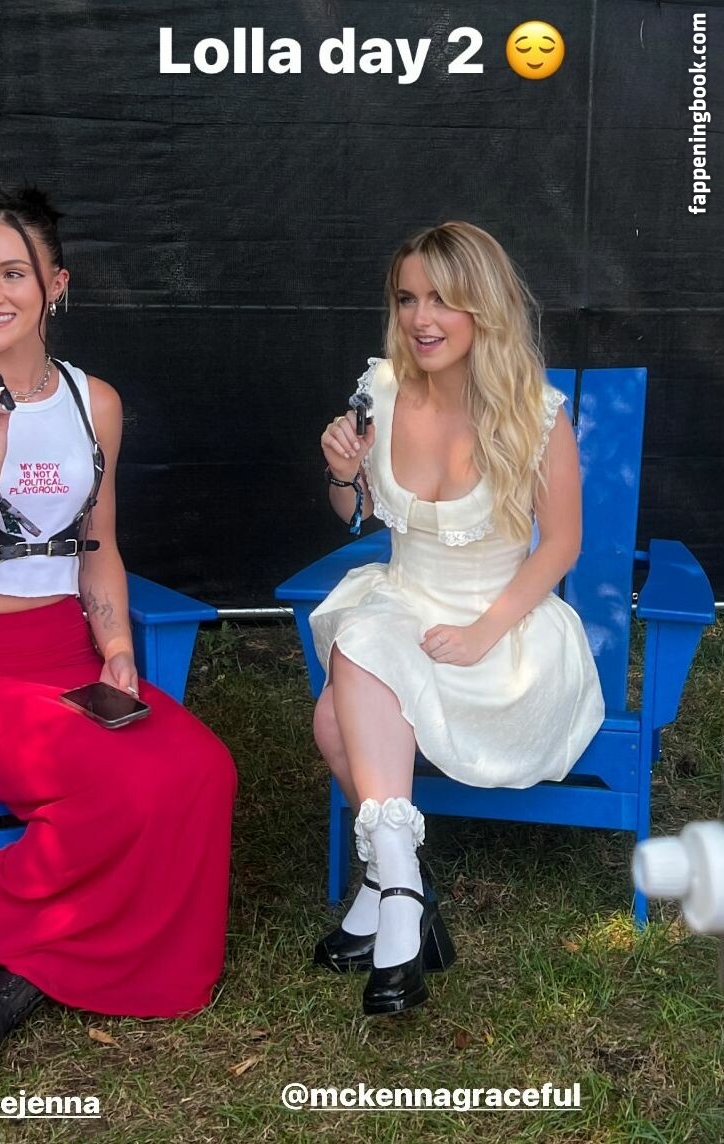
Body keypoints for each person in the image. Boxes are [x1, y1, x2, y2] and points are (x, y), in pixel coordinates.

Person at [0, 187, 236, 1073]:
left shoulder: (90, 401)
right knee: (119, 795)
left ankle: (5, 971)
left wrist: (116, 649)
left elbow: (99, 547)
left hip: (70, 661)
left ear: (55, 286)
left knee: (202, 772)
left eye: (12, 273)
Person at [309, 222, 604, 1016]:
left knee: (337, 712)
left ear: (484, 308)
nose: (420, 318)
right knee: (354, 663)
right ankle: (403, 891)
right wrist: (342, 474)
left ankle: (389, 894)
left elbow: (562, 544)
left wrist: (482, 633)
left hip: (500, 627)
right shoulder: (379, 390)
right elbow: (357, 517)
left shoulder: (534, 414)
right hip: (402, 604)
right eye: (406, 298)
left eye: (442, 299)